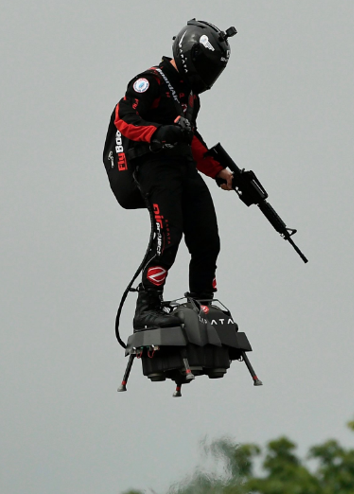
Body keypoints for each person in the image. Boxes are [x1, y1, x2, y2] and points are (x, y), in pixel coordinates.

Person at [112, 19, 237, 330]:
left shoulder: (191, 98)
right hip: (154, 166)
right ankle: (147, 307)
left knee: (207, 237)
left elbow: (192, 140)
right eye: (206, 66)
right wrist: (159, 132)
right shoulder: (151, 80)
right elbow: (123, 118)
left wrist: (219, 171)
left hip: (183, 167)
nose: (209, 76)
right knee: (168, 235)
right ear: (188, 55)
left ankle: (202, 303)